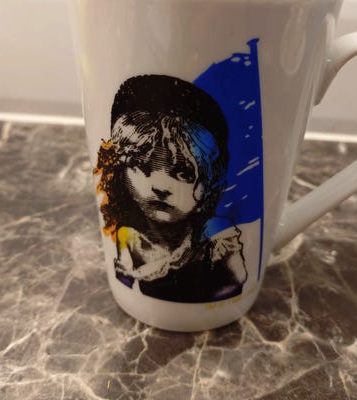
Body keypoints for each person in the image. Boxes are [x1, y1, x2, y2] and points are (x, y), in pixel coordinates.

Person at [94, 75, 247, 302]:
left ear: (211, 181)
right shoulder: (129, 235)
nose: (161, 187)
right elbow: (125, 280)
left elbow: (238, 279)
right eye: (142, 165)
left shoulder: (214, 233)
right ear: (118, 170)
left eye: (183, 173)